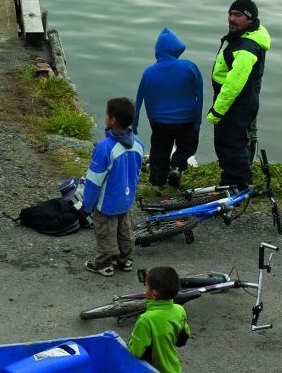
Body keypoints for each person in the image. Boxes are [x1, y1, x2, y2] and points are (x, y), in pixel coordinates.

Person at [207, 0, 272, 189]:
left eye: (237, 15)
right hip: (244, 99)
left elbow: (233, 86)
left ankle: (237, 185)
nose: (231, 19)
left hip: (235, 103)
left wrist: (217, 111)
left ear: (250, 20)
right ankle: (235, 180)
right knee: (237, 142)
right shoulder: (247, 35)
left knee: (230, 145)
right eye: (230, 14)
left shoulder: (246, 49)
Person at [133, 27, 204, 190]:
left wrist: (135, 126)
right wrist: (197, 121)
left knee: (159, 152)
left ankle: (158, 184)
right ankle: (177, 166)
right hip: (186, 120)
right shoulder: (189, 67)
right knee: (187, 146)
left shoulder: (149, 72)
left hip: (159, 122)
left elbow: (139, 100)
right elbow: (199, 95)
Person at [81, 97, 144, 276]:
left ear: (113, 119)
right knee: (125, 230)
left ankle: (104, 263)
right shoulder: (138, 144)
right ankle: (125, 260)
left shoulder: (104, 147)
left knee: (106, 233)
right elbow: (137, 172)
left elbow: (94, 180)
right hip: (126, 198)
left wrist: (87, 204)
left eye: (107, 114)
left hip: (107, 201)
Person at [128, 266, 191, 373]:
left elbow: (136, 352)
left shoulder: (146, 320)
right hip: (174, 368)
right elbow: (182, 339)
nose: (145, 289)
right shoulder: (180, 310)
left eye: (146, 286)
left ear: (154, 294)